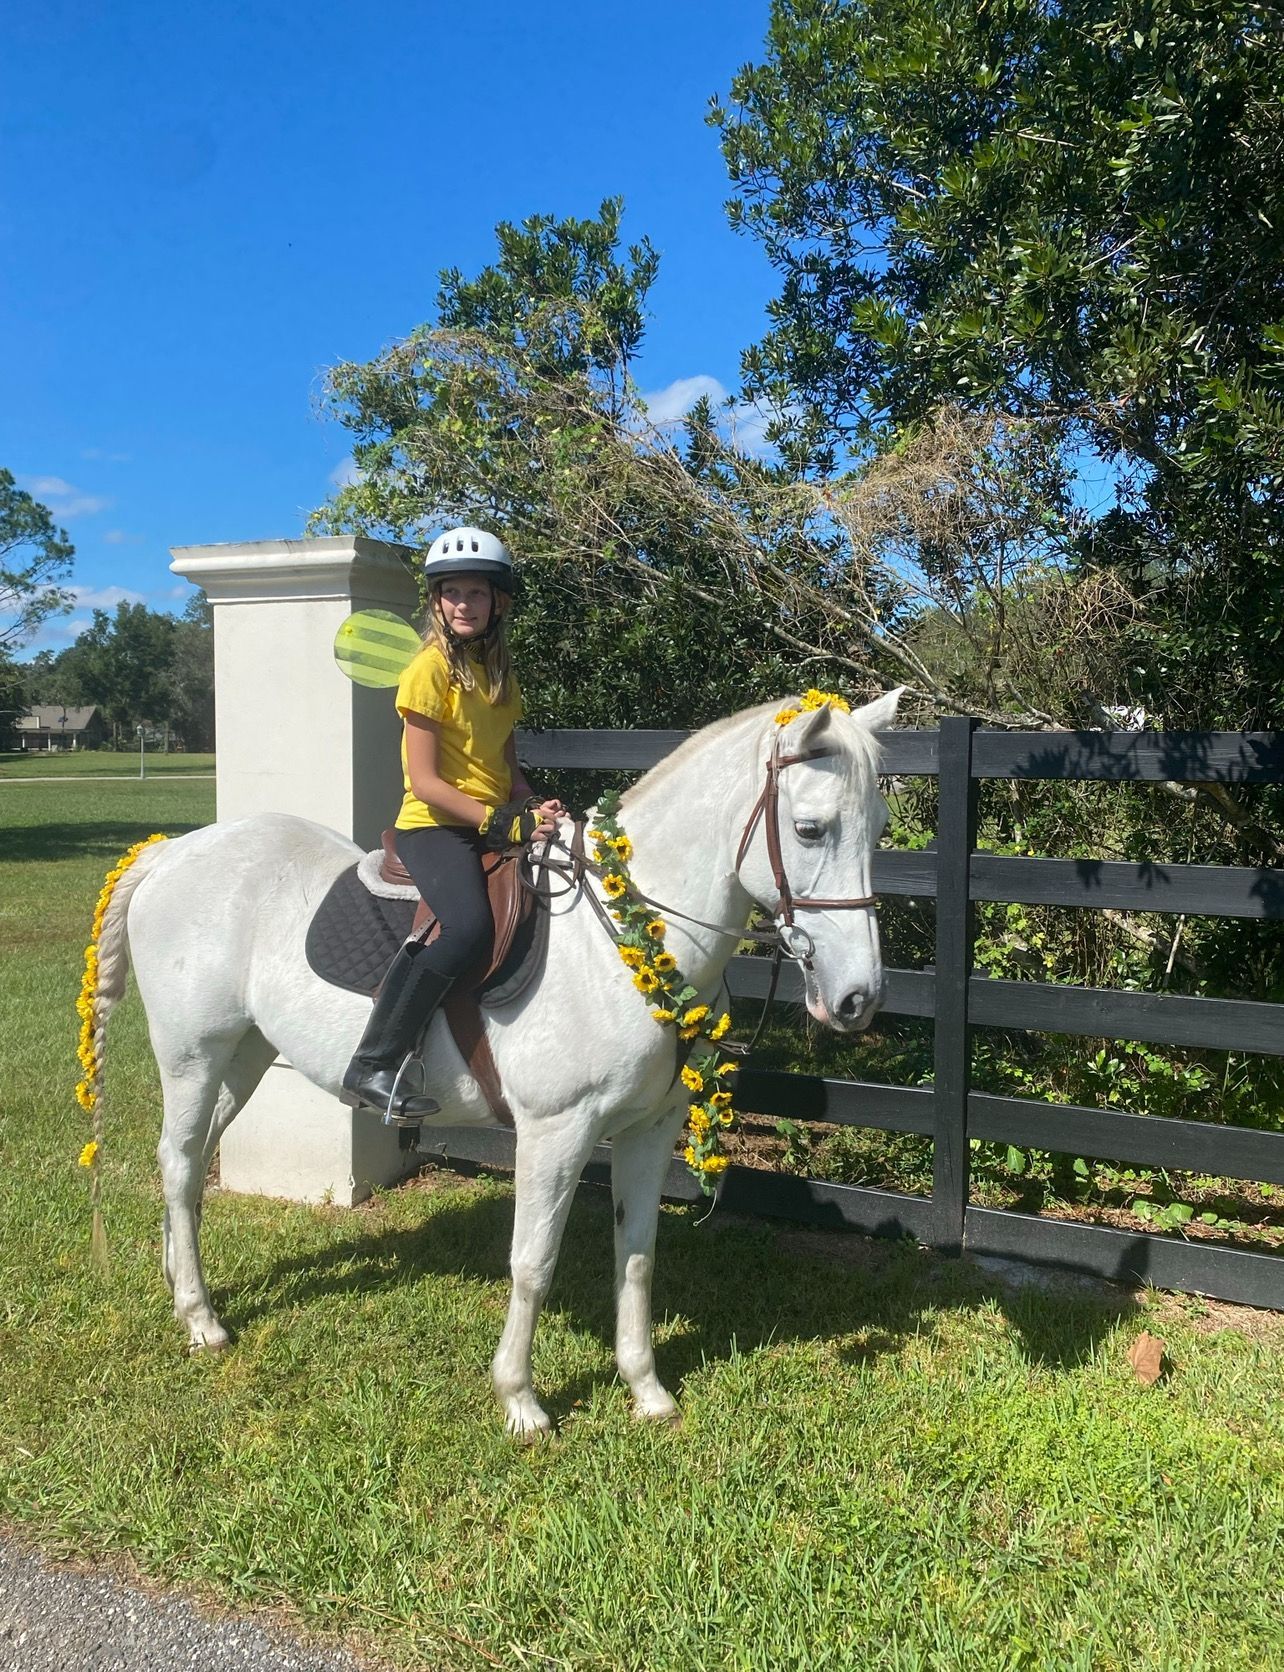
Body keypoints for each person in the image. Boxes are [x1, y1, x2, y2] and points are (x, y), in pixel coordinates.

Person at [341, 527, 562, 1122]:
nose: (464, 603)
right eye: (453, 592)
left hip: (491, 822)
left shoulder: (500, 675)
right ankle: (374, 1063)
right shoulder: (428, 671)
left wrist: (532, 805)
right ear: (437, 602)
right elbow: (426, 782)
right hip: (433, 827)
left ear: (498, 603)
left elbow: (505, 766)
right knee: (465, 929)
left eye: (477, 593)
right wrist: (504, 822)